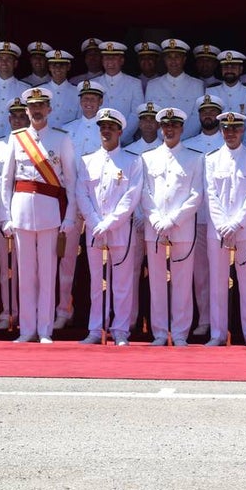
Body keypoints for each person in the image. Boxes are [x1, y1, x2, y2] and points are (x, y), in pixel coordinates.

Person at [0, 87, 77, 343]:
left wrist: (70, 217)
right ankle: (26, 329)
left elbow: (71, 182)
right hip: (20, 211)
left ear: (49, 110)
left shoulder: (61, 139)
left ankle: (45, 329)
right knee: (25, 274)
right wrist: (5, 216)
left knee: (47, 273)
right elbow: (6, 180)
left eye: (41, 107)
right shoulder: (17, 138)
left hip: (51, 213)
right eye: (32, 108)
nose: (37, 111)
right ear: (26, 111)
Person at [75, 108, 143, 345]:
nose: (106, 131)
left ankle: (121, 330)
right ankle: (95, 329)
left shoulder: (132, 161)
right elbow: (81, 194)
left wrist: (110, 223)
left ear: (120, 131)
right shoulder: (87, 161)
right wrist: (95, 222)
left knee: (122, 284)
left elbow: (131, 198)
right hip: (95, 231)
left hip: (120, 231)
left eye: (111, 128)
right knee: (97, 283)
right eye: (103, 127)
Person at [140, 107, 204, 345]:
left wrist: (173, 220)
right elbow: (144, 192)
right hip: (155, 229)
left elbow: (196, 195)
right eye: (165, 126)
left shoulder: (195, 158)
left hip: (182, 228)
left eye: (174, 126)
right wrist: (156, 219)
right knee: (157, 283)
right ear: (160, 128)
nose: (169, 129)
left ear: (182, 129)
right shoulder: (148, 158)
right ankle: (159, 332)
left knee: (182, 284)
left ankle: (179, 333)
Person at [205, 111, 246, 346]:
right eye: (226, 129)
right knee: (217, 283)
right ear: (220, 131)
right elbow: (210, 194)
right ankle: (217, 334)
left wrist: (237, 223)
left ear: (243, 130)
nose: (230, 133)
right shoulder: (210, 159)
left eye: (235, 129)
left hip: (245, 228)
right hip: (218, 230)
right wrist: (222, 224)